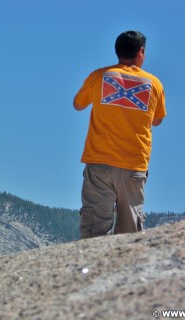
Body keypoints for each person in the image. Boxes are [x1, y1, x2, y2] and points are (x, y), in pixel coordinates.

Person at [73, 31, 166, 239]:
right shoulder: (155, 84)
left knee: (94, 231)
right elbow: (157, 120)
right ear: (140, 52)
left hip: (99, 162)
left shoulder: (99, 76)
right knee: (129, 235)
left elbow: (77, 104)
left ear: (117, 51)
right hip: (134, 165)